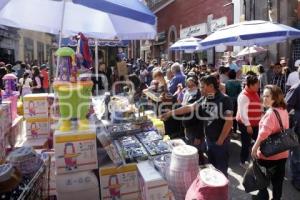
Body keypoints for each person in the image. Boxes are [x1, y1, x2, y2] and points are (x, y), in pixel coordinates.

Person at [161, 75, 233, 176]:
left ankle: (222, 190)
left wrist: (220, 140)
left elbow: (229, 122)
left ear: (211, 86)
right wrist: (171, 113)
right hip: (209, 140)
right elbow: (189, 107)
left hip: (220, 142)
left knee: (221, 171)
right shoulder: (205, 98)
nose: (200, 89)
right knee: (212, 169)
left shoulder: (224, 99)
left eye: (202, 87)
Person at [251, 85, 289, 200]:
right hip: (282, 152)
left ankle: (263, 196)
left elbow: (263, 133)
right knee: (278, 181)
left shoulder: (271, 113)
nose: (264, 98)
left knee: (262, 179)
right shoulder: (283, 110)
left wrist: (254, 147)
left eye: (268, 96)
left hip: (268, 155)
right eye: (264, 95)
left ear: (276, 98)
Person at [236, 75, 262, 168]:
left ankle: (256, 158)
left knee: (258, 142)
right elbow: (243, 114)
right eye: (256, 85)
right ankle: (243, 161)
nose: (258, 86)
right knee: (246, 143)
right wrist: (248, 125)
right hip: (246, 124)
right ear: (250, 85)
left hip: (255, 123)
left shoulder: (254, 92)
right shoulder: (243, 96)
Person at [285, 67, 300, 191]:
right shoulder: (296, 88)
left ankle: (297, 179)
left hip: (297, 126)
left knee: (296, 155)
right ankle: (297, 179)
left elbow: (285, 108)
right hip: (297, 126)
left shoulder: (296, 88)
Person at [225, 69, 242, 133]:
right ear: (235, 75)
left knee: (228, 116)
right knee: (234, 116)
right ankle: (235, 130)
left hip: (228, 101)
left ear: (229, 75)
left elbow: (225, 93)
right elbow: (240, 93)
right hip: (236, 101)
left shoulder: (227, 83)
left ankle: (228, 130)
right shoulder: (238, 83)